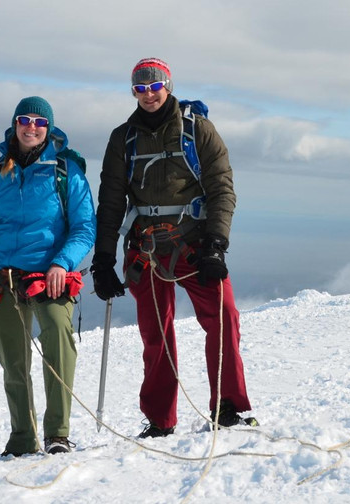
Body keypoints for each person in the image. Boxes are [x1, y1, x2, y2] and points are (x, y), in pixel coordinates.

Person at [92, 58, 255, 438]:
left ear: (168, 84)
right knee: (156, 333)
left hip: (194, 243)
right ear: (133, 91)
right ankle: (160, 419)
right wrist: (102, 259)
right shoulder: (123, 138)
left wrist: (217, 243)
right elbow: (112, 201)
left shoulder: (198, 129)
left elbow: (221, 188)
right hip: (145, 248)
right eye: (140, 87)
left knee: (224, 316)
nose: (148, 94)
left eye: (155, 85)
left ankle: (228, 407)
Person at [0, 97, 95, 456]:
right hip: (4, 278)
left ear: (49, 128)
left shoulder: (67, 172)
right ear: (14, 124)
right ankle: (22, 437)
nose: (31, 127)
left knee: (58, 341)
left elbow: (84, 228)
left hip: (51, 275)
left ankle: (57, 434)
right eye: (24, 119)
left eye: (39, 121)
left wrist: (61, 264)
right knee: (13, 362)